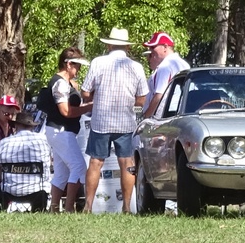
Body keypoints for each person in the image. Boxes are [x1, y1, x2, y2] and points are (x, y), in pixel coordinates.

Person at [82, 27, 149, 215]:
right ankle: (126, 207)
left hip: (101, 121)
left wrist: (95, 97)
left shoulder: (98, 62)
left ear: (109, 45)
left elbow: (85, 93)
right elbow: (142, 99)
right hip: (125, 122)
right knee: (127, 163)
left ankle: (88, 206)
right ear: (127, 47)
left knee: (95, 162)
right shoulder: (136, 67)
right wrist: (130, 105)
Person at [38, 48, 90, 212]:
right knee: (79, 167)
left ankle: (54, 208)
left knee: (62, 172)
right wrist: (89, 107)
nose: (79, 69)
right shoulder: (60, 83)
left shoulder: (66, 83)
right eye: (77, 65)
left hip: (60, 131)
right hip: (61, 131)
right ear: (68, 64)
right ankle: (69, 208)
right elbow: (66, 111)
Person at [0, 110, 53, 212]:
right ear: (32, 126)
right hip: (38, 192)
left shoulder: (3, 143)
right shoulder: (44, 141)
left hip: (9, 192)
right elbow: (49, 161)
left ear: (16, 125)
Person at [142, 32, 190, 118]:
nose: (151, 51)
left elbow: (158, 96)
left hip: (163, 117)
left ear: (165, 47)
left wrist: (146, 117)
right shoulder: (184, 64)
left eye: (153, 47)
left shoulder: (165, 66)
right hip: (179, 115)